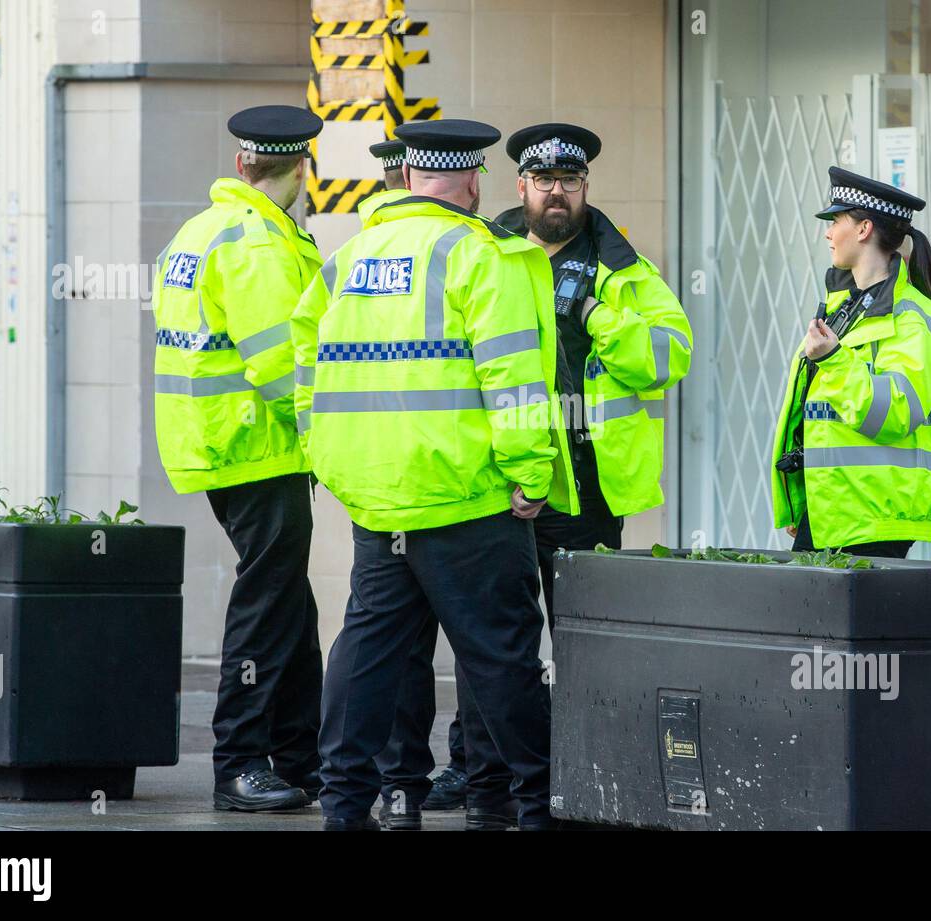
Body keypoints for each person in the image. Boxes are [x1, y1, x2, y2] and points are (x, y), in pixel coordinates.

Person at [291, 119, 578, 831]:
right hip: (467, 500)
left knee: (367, 655)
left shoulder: (347, 259)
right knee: (503, 659)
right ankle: (540, 807)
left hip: (378, 502)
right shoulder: (482, 257)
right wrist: (531, 474)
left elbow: (302, 370)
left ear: (412, 176)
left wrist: (325, 455)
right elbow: (513, 380)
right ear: (475, 181)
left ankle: (347, 807)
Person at [151, 105, 325, 811]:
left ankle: (299, 754)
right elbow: (283, 364)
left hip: (221, 446)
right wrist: (333, 438)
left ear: (243, 164)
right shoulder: (257, 243)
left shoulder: (200, 231)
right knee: (267, 602)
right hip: (261, 449)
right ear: (298, 171)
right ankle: (239, 762)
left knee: (288, 601)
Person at [495, 123, 692, 625]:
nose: (557, 191)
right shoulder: (487, 258)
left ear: (586, 186)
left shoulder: (623, 271)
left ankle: (582, 709)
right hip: (500, 483)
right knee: (498, 636)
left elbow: (668, 359)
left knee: (587, 633)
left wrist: (596, 314)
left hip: (586, 491)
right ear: (521, 187)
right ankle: (504, 711)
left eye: (571, 179)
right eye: (543, 178)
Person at [769, 166, 931, 558]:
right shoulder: (848, 308)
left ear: (863, 230)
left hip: (873, 516)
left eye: (836, 220)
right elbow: (818, 418)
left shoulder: (910, 316)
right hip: (839, 511)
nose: (827, 232)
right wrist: (807, 500)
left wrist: (836, 362)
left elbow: (897, 413)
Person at [363, 136, 472, 825]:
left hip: (385, 486)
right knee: (480, 644)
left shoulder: (354, 257)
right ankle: (478, 786)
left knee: (391, 646)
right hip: (454, 486)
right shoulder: (466, 250)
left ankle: (393, 787)